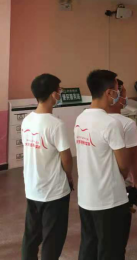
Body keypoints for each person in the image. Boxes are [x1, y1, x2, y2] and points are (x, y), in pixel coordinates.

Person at [75, 70, 130, 260]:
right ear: (109, 93)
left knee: (88, 246)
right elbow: (123, 165)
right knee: (111, 251)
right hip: (109, 200)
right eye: (117, 90)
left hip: (86, 197)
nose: (118, 94)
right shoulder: (110, 123)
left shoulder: (81, 118)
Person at [21, 74, 73, 260]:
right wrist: (69, 177)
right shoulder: (56, 125)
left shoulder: (27, 120)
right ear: (53, 94)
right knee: (53, 239)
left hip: (32, 189)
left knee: (31, 236)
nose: (60, 93)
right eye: (59, 90)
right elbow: (66, 158)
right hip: (54, 192)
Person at [106, 79, 137, 253]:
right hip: (119, 189)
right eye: (123, 94)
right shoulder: (125, 123)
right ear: (114, 94)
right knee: (118, 238)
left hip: (96, 191)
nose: (125, 98)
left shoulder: (88, 120)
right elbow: (133, 158)